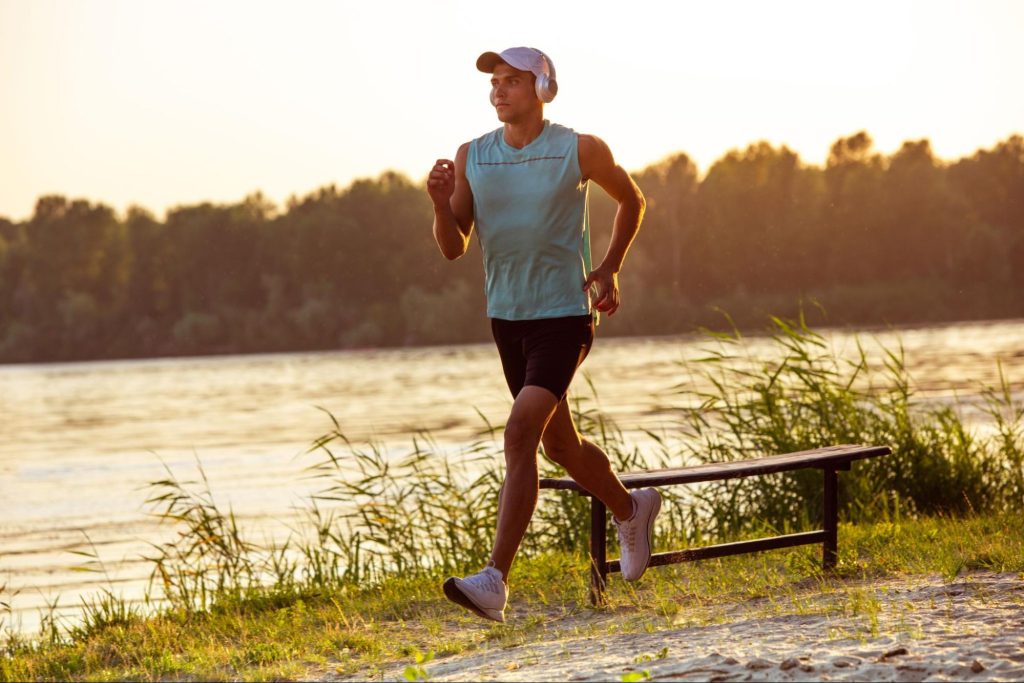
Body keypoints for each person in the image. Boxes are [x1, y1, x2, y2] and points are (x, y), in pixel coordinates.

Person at [427, 47, 660, 623]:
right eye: (494, 82)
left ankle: (494, 579)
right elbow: (454, 246)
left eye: (511, 81)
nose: (498, 90)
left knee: (520, 433)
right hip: (508, 319)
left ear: (542, 88)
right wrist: (438, 205)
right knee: (560, 447)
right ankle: (631, 509)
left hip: (564, 315)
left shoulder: (579, 149)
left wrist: (610, 267)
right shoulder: (473, 155)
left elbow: (632, 199)